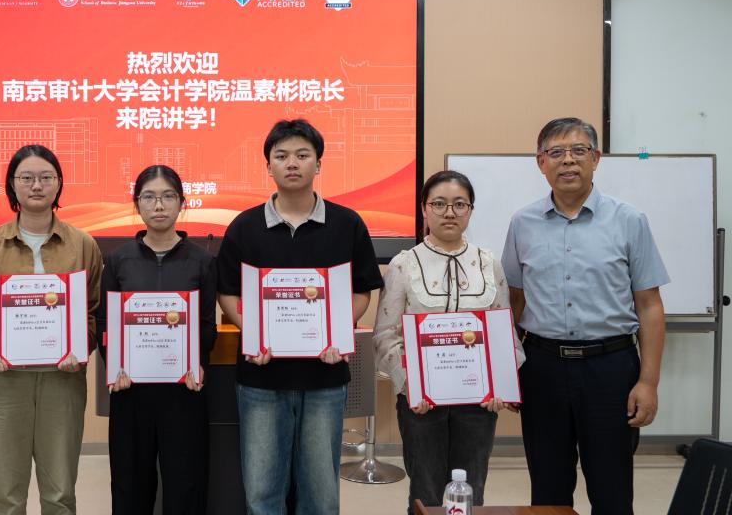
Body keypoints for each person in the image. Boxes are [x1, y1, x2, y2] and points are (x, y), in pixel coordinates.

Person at [215, 119, 384, 515]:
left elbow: (362, 290)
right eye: (282, 156)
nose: (292, 163)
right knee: (261, 492)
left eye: (302, 155)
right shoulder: (244, 227)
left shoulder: (347, 224)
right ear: (269, 166)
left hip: (324, 377)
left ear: (318, 164)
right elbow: (227, 292)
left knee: (320, 495)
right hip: (261, 378)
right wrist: (253, 332)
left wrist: (336, 330)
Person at [502, 117, 668, 514]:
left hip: (610, 369)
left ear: (596, 158)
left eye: (579, 151)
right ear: (541, 162)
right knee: (548, 490)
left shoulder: (629, 220)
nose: (568, 161)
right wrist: (505, 371)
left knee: (612, 491)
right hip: (542, 368)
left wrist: (648, 382)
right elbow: (514, 302)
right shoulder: (522, 223)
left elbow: (649, 305)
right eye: (556, 152)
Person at [0, 144, 103, 515]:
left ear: (59, 183)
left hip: (62, 381)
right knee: (7, 494)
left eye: (46, 177)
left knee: (60, 493)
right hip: (4, 382)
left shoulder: (83, 245)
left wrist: (80, 346)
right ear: (12, 185)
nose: (37, 185)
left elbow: (95, 313)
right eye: (27, 178)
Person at [373, 170, 525, 514]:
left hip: (478, 403)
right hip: (421, 404)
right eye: (439, 204)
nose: (450, 213)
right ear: (424, 209)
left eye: (460, 204)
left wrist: (499, 384)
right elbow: (385, 336)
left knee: (472, 492)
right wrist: (411, 385)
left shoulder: (488, 263)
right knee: (425, 494)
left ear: (470, 210)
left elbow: (504, 332)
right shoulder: (403, 264)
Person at [96, 164, 217, 515]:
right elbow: (105, 322)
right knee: (130, 486)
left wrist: (198, 364)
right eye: (149, 197)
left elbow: (206, 324)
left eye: (167, 196)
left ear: (182, 203)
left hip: (184, 391)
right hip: (131, 392)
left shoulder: (201, 261)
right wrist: (115, 367)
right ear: (137, 204)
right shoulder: (118, 261)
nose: (159, 205)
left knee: (187, 485)